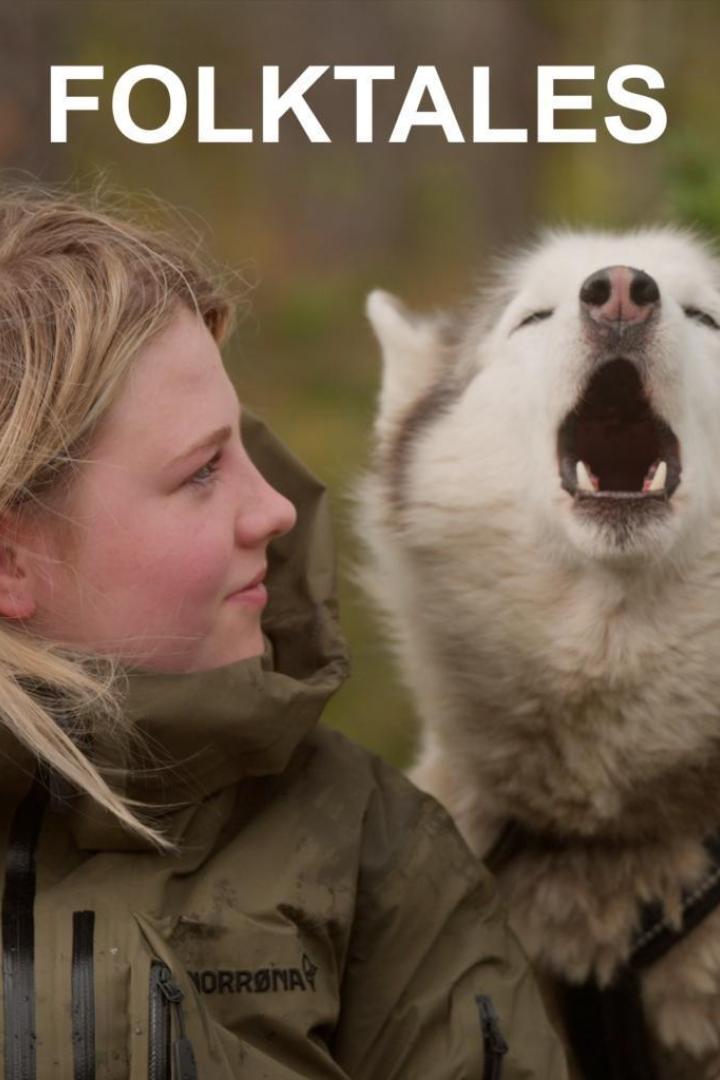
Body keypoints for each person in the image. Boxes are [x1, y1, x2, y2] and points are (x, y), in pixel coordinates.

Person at [0, 191, 568, 1079]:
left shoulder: (375, 853)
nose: (273, 509)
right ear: (11, 560)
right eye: (201, 473)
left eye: (244, 447)